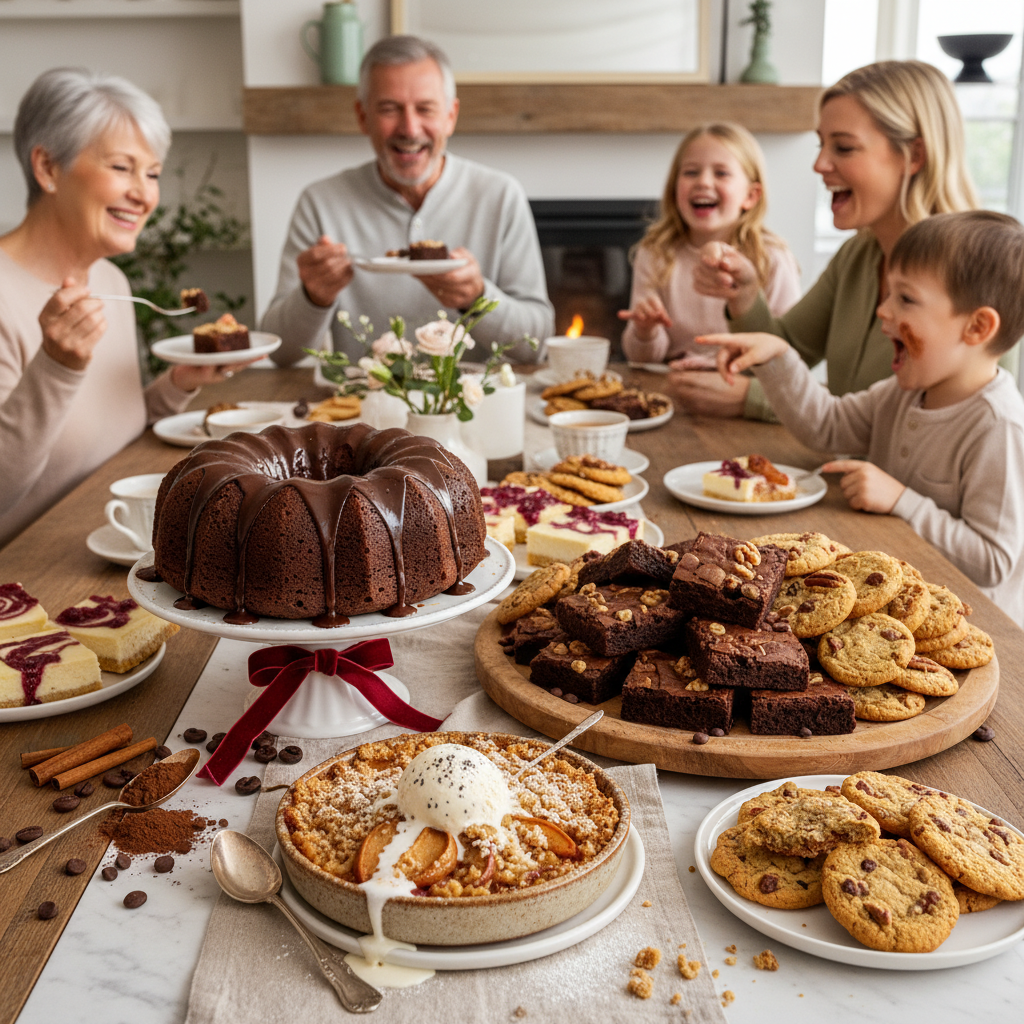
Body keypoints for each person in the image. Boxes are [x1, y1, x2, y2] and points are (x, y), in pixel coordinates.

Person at [697, 211, 1024, 623]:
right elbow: (827, 425)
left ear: (977, 327)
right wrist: (778, 358)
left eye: (905, 299)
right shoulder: (901, 393)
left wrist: (901, 500)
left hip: (969, 622)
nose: (883, 310)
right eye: (889, 294)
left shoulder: (999, 426)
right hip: (892, 602)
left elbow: (993, 562)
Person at [0, 68, 250, 549]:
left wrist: (179, 384)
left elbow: (107, 437)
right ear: (48, 168)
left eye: (152, 173)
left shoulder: (111, 281)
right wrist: (55, 367)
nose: (145, 194)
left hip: (111, 545)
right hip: (29, 572)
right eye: (121, 168)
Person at [675, 60, 978, 420]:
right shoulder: (858, 255)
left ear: (914, 156)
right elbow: (785, 350)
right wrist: (744, 293)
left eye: (844, 148)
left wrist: (753, 398)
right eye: (821, 145)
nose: (819, 164)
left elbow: (949, 422)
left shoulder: (973, 272)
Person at [263, 35, 553, 366]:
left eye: (425, 109)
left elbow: (537, 344)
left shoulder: (500, 196)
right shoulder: (320, 203)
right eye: (389, 109)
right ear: (362, 117)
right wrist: (312, 297)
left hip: (472, 398)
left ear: (451, 116)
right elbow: (280, 353)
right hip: (363, 398)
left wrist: (478, 297)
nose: (410, 129)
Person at [618, 122, 800, 366]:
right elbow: (642, 358)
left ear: (750, 196)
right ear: (674, 189)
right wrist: (645, 331)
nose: (703, 182)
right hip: (673, 379)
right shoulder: (654, 252)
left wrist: (719, 366)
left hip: (740, 380)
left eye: (721, 173)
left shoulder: (771, 256)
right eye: (691, 172)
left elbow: (785, 351)